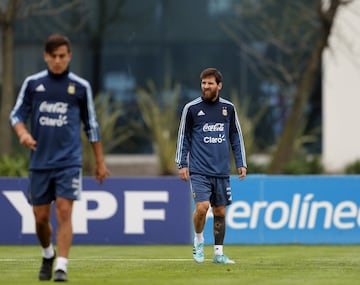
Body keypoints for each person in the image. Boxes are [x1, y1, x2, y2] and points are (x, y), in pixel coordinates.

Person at [9, 34, 110, 281]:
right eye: (53, 56)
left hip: (68, 162)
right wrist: (22, 133)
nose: (57, 60)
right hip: (40, 162)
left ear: (69, 57)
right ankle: (47, 253)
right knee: (41, 218)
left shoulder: (80, 87)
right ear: (46, 56)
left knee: (64, 212)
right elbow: (16, 115)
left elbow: (92, 126)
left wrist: (100, 162)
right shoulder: (33, 84)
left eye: (62, 56)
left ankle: (61, 266)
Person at [175, 67, 247, 264]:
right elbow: (184, 137)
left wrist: (241, 162)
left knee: (220, 212)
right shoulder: (191, 109)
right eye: (203, 83)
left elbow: (236, 136)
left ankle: (218, 254)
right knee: (202, 207)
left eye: (210, 83)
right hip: (199, 170)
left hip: (222, 171)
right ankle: (198, 241)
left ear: (219, 86)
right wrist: (182, 163)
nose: (205, 87)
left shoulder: (228, 108)